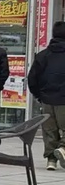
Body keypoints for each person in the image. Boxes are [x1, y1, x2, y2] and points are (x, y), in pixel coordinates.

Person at [28, 20, 65, 170]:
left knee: (49, 130)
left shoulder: (43, 55)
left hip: (46, 98)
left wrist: (39, 95)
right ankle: (62, 148)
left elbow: (32, 79)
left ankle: (51, 160)